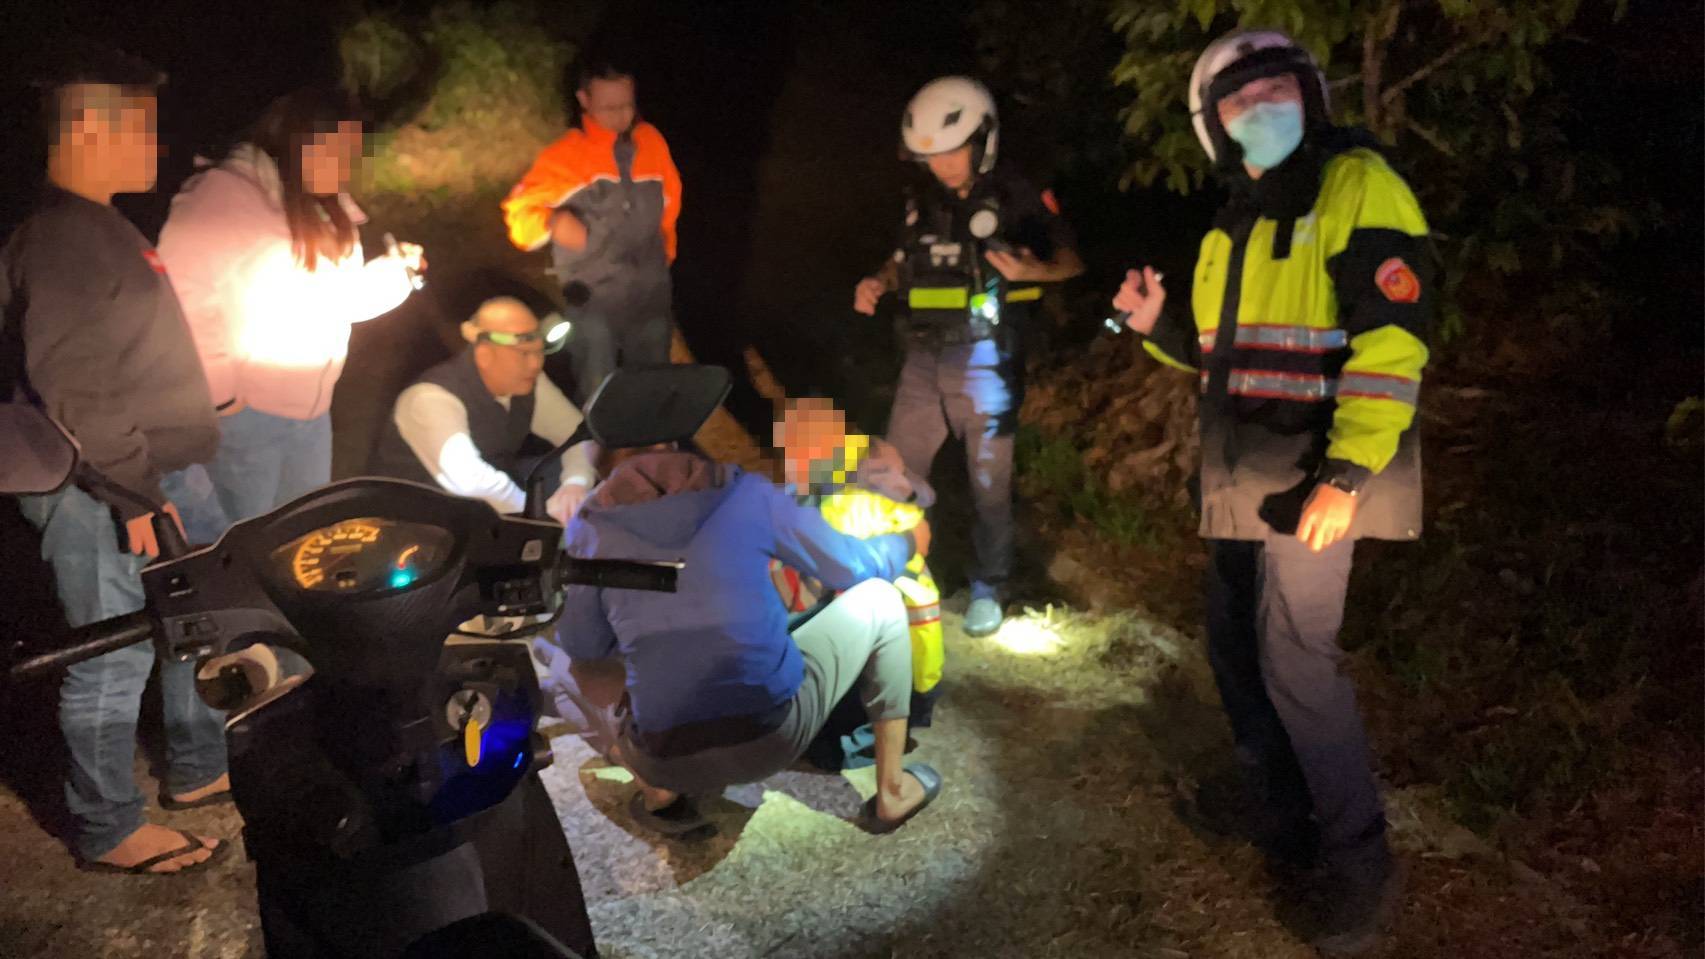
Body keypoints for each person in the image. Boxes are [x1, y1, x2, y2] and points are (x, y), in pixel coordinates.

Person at [1112, 29, 1430, 956]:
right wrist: (1155, 327)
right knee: (1232, 642)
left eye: (1276, 90)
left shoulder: (1358, 185)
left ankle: (1357, 860)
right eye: (1239, 101)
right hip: (1243, 471)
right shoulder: (1233, 225)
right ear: (1211, 126)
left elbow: (1393, 339)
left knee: (1297, 660)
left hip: (1317, 473)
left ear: (1312, 94)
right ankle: (1276, 805)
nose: (1261, 109)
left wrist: (1346, 474)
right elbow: (1225, 358)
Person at [0, 43, 229, 875]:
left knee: (186, 622)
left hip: (141, 476)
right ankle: (106, 826)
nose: (155, 143)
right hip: (96, 488)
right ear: (89, 128)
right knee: (112, 649)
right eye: (141, 125)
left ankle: (197, 766)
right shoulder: (61, 235)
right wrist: (133, 492)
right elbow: (78, 386)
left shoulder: (101, 225)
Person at [533, 446, 942, 836]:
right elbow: (849, 566)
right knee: (881, 598)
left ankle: (658, 791)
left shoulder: (591, 528)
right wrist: (906, 542)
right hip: (775, 739)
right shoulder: (747, 495)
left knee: (564, 663)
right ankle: (892, 792)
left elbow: (584, 648)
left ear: (606, 470)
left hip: (663, 759)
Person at [854, 76, 1083, 637]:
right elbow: (901, 260)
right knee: (896, 472)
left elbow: (1072, 260)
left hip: (985, 358)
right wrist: (878, 282)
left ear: (983, 141)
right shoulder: (923, 201)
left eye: (953, 152)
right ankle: (895, 576)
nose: (943, 166)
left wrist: (1033, 270)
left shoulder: (1017, 195)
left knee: (988, 485)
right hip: (922, 356)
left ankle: (989, 586)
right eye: (931, 157)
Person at [156, 86, 423, 539]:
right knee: (250, 542)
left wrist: (399, 274)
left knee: (306, 536)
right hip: (248, 416)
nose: (347, 168)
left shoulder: (324, 205)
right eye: (339, 153)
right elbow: (184, 303)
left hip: (312, 410)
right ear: (302, 142)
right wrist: (224, 399)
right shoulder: (224, 196)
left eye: (353, 155)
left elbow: (342, 300)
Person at [767, 397, 947, 767]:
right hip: (899, 665)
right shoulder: (814, 500)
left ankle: (845, 741)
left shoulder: (849, 505)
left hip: (864, 664)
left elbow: (835, 570)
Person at [501, 57, 682, 404]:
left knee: (654, 380)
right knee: (598, 387)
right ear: (584, 100)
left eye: (627, 105)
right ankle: (598, 436)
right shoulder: (566, 157)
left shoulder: (651, 142)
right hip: (592, 296)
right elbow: (518, 214)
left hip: (650, 290)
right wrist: (553, 222)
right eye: (609, 107)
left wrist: (665, 255)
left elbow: (670, 203)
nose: (621, 116)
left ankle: (650, 433)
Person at [367, 297, 598, 522]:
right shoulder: (429, 398)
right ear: (485, 354)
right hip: (416, 521)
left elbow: (578, 435)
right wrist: (539, 519)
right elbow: (471, 481)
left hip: (492, 501)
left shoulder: (528, 382)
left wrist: (575, 485)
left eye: (539, 352)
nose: (536, 364)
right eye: (524, 354)